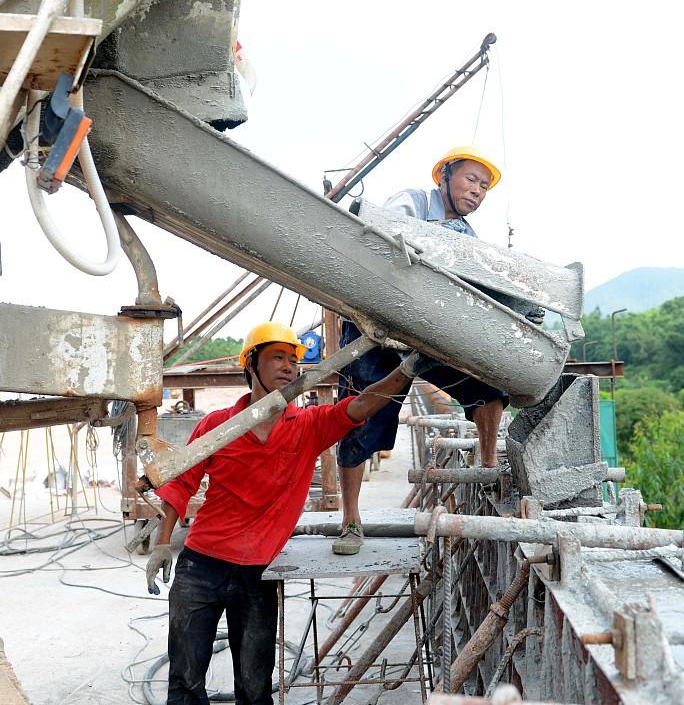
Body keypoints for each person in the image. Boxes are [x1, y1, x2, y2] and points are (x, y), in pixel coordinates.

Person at [145, 321, 435, 705]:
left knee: (254, 688)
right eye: (277, 357)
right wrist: (163, 543)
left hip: (257, 575)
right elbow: (180, 482)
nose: (288, 367)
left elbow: (362, 404)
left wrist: (406, 370)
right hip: (200, 567)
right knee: (184, 684)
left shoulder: (309, 427)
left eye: (293, 360)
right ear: (251, 365)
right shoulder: (218, 426)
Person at [333, 146, 524, 556]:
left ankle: (487, 465)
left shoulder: (470, 238)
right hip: (380, 324)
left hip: (431, 330)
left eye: (484, 186)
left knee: (488, 383)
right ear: (445, 176)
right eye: (471, 180)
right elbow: (387, 229)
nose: (477, 191)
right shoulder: (414, 201)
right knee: (356, 415)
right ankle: (350, 518)